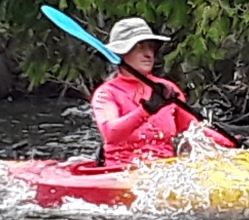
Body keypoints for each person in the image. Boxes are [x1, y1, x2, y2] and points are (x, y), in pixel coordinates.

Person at [90, 17, 236, 167]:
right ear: (121, 53)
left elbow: (194, 128)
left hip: (165, 171)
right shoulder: (106, 94)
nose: (148, 54)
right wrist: (146, 110)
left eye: (150, 47)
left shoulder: (166, 89)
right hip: (122, 171)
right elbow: (111, 134)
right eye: (140, 47)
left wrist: (232, 144)